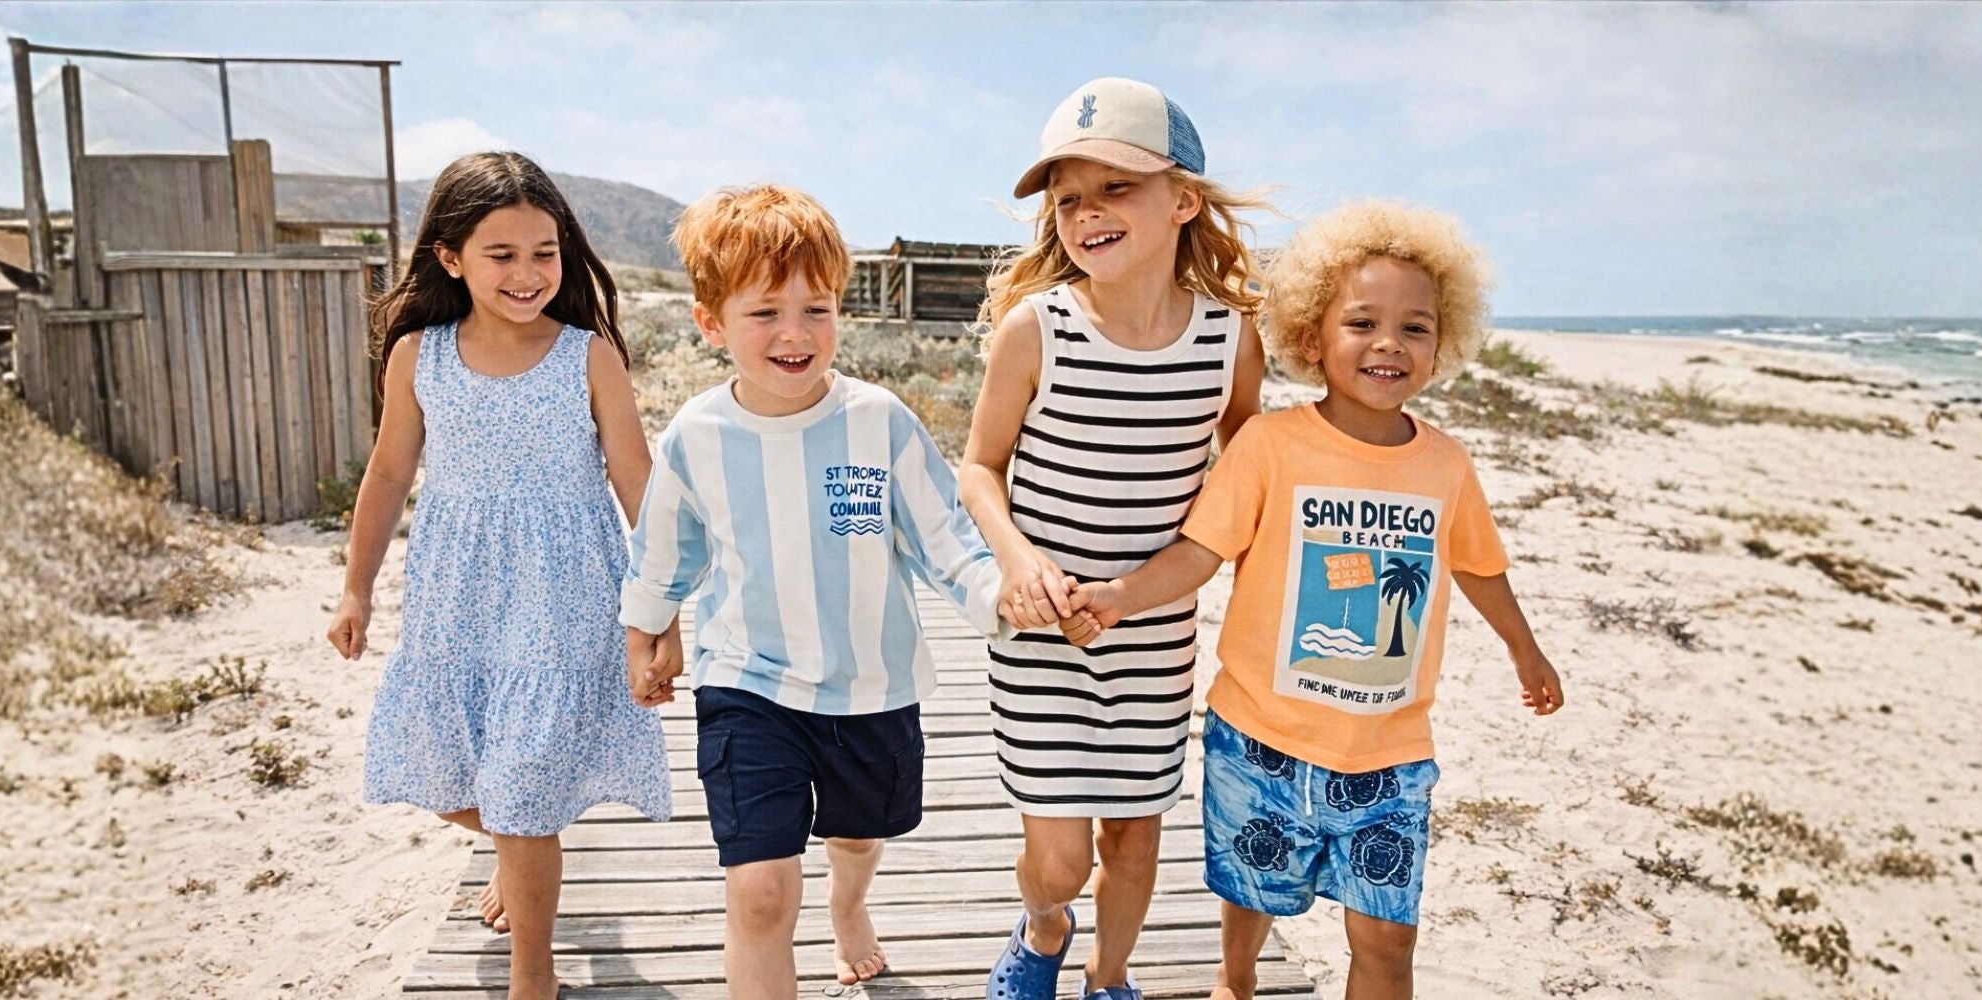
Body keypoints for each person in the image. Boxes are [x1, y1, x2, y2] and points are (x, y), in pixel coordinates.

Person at [1067, 202, 1566, 1000]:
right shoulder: (1270, 447)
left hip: (1390, 756)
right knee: (1254, 896)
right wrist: (1120, 596)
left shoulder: (1446, 465)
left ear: (1442, 343)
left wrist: (1524, 648)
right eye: (1362, 323)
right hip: (1260, 739)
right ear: (1311, 338)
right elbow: (1201, 550)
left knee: (1387, 943)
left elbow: (1477, 565)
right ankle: (1236, 979)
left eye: (1415, 328)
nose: (1389, 344)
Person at [619, 183, 1032, 999]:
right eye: (765, 312)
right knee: (761, 891)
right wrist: (646, 632)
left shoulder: (879, 420)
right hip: (747, 682)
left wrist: (1002, 595)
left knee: (858, 837)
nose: (795, 333)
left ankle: (849, 905)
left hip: (869, 686)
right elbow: (662, 551)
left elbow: (946, 539)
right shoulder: (696, 435)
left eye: (816, 309)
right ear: (711, 323)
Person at [329, 152, 672, 1000]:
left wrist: (662, 609)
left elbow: (638, 480)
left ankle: (534, 976)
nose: (529, 273)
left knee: (520, 789)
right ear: (451, 257)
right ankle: (519, 850)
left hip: (564, 600)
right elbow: (387, 474)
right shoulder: (419, 356)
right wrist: (356, 587)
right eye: (503, 255)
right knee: (447, 777)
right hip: (456, 602)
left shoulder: (588, 355)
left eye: (544, 253)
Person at [958, 75, 1272, 1000]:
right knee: (1060, 862)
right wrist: (1019, 562)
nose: (1087, 213)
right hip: (1042, 636)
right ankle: (1044, 925)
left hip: (1155, 638)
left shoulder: (1229, 341)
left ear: (1184, 201)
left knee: (1133, 839)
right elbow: (979, 469)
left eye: (1116, 187)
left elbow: (1246, 477)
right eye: (1068, 200)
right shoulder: (1036, 331)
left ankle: (1109, 978)